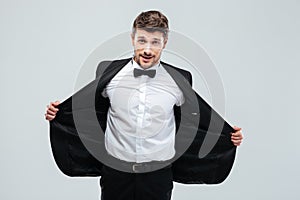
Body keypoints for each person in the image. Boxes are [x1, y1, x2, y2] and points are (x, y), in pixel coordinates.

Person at [45, 10, 243, 200]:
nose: (148, 49)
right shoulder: (108, 72)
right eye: (142, 41)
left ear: (165, 42)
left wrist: (226, 136)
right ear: (133, 38)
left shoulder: (180, 80)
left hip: (157, 176)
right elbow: (86, 110)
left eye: (155, 42)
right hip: (115, 174)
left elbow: (197, 120)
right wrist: (58, 113)